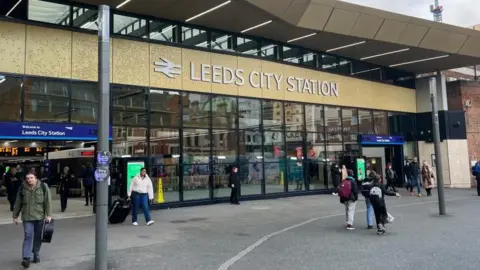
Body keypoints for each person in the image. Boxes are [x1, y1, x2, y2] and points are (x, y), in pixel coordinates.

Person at [13, 172, 52, 269]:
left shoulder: (43, 186)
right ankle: (26, 258)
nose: (29, 180)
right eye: (27, 178)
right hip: (27, 217)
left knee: (38, 237)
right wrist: (15, 216)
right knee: (28, 236)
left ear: (35, 178)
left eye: (31, 178)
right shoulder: (22, 188)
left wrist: (49, 215)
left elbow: (48, 201)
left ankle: (36, 253)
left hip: (39, 216)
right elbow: (18, 202)